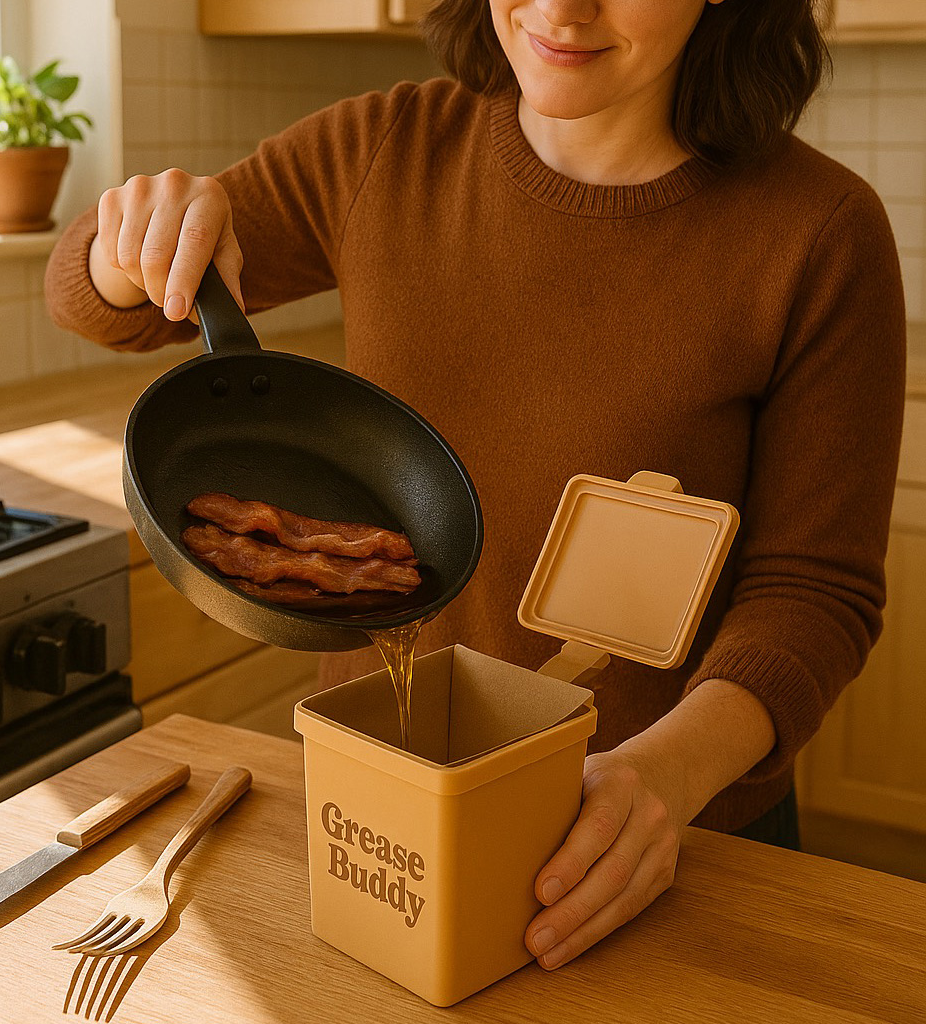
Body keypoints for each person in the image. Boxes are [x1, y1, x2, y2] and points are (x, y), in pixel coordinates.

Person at [46, 0, 906, 973]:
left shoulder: (819, 232)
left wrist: (666, 775)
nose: (559, 8)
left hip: (665, 833)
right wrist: (128, 244)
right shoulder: (382, 149)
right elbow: (97, 303)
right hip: (378, 817)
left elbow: (813, 594)